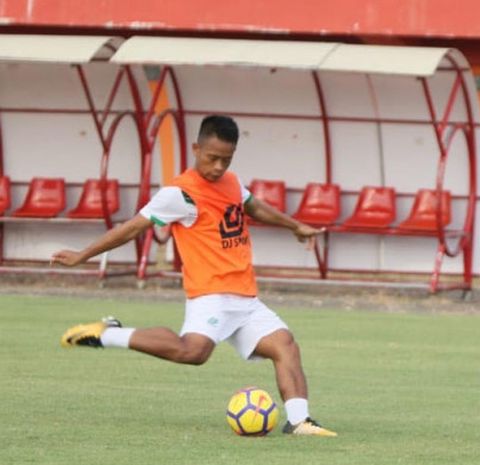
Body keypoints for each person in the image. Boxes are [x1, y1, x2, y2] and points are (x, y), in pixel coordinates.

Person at [52, 115, 337, 437]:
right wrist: (82, 256)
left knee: (285, 345)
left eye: (225, 160)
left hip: (244, 295)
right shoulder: (180, 194)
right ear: (196, 148)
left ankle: (299, 421)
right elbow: (131, 228)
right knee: (194, 352)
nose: (217, 167)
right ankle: (107, 334)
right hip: (211, 294)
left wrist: (294, 225)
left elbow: (253, 206)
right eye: (211, 158)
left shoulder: (231, 182)